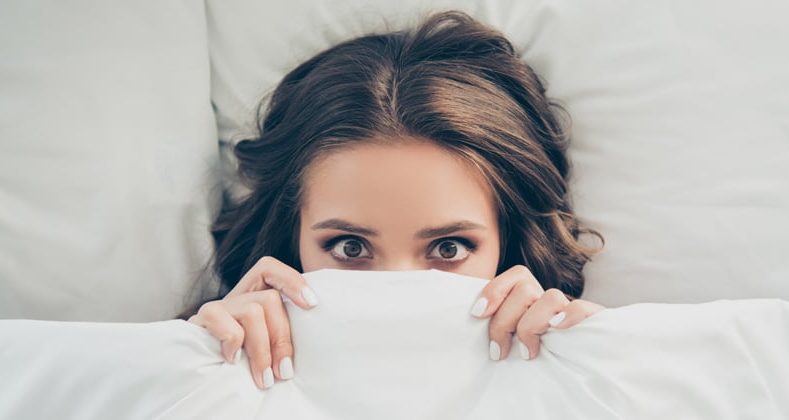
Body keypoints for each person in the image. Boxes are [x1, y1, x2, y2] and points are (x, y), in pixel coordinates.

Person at [187, 11, 605, 390]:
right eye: (351, 247)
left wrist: (599, 368)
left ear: (508, 243)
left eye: (448, 248)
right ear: (290, 237)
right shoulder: (205, 373)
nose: (396, 297)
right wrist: (193, 371)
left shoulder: (578, 376)